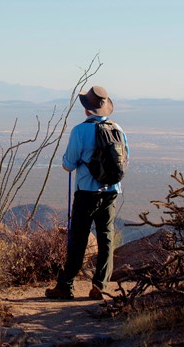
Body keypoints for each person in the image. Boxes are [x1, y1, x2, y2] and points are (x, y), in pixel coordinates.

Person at [45, 85, 129, 300]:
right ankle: (100, 285)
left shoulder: (80, 131)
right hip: (111, 191)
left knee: (78, 237)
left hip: (86, 191)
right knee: (106, 237)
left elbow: (68, 164)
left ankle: (66, 285)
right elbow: (125, 158)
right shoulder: (117, 129)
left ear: (86, 109)